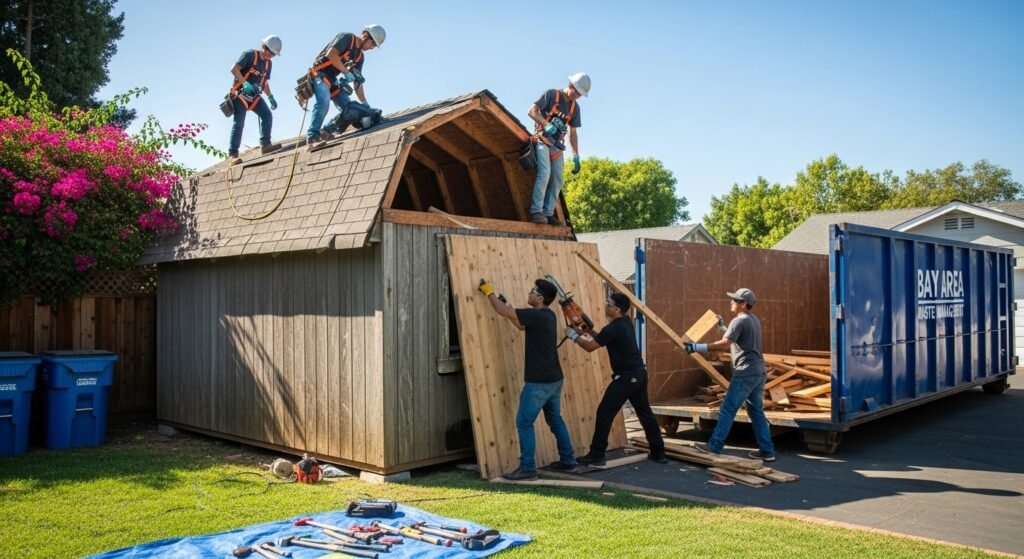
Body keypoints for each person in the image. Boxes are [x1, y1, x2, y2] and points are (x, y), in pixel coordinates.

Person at [478, 278, 578, 480]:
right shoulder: (547, 315)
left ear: (540, 298)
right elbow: (521, 326)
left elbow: (503, 312)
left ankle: (527, 468)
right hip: (554, 379)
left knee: (524, 423)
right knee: (555, 419)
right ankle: (568, 461)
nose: (529, 293)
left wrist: (489, 293)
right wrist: (507, 308)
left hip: (539, 382)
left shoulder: (537, 314)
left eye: (532, 291)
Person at [565, 293, 668, 465]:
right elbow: (602, 338)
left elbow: (591, 346)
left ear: (617, 309)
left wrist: (573, 336)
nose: (605, 305)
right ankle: (659, 453)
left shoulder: (613, 328)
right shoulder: (625, 322)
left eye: (608, 303)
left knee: (604, 412)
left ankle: (597, 455)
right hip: (639, 374)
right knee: (645, 413)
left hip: (626, 377)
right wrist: (588, 329)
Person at [684, 288, 776, 461]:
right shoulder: (752, 320)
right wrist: (723, 328)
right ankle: (767, 451)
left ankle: (714, 446)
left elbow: (726, 344)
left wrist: (696, 347)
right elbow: (738, 339)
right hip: (758, 371)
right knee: (756, 411)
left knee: (728, 409)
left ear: (743, 304)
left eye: (734, 300)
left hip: (745, 372)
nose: (731, 302)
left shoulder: (738, 321)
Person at [305, 24, 386, 150]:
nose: (372, 48)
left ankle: (326, 131)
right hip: (319, 74)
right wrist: (345, 72)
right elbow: (331, 54)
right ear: (366, 36)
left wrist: (364, 103)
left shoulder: (359, 56)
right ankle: (312, 137)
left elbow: (357, 82)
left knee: (351, 109)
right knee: (323, 102)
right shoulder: (347, 38)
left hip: (332, 80)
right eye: (373, 44)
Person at [526, 72, 590, 225]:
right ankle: (536, 211)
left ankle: (548, 214)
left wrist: (576, 155)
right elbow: (531, 111)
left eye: (581, 95)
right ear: (570, 86)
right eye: (577, 92)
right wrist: (546, 125)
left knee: (558, 179)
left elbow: (573, 134)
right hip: (541, 138)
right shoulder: (551, 95)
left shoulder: (575, 108)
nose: (578, 96)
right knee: (545, 173)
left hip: (556, 146)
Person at [227, 35, 282, 165]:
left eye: (274, 54)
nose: (271, 56)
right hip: (240, 93)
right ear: (264, 47)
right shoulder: (250, 55)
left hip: (254, 96)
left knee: (267, 115)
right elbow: (234, 69)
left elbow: (264, 82)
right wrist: (245, 83)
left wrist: (270, 96)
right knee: (239, 122)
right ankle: (233, 154)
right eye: (270, 52)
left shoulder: (268, 64)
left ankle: (266, 145)